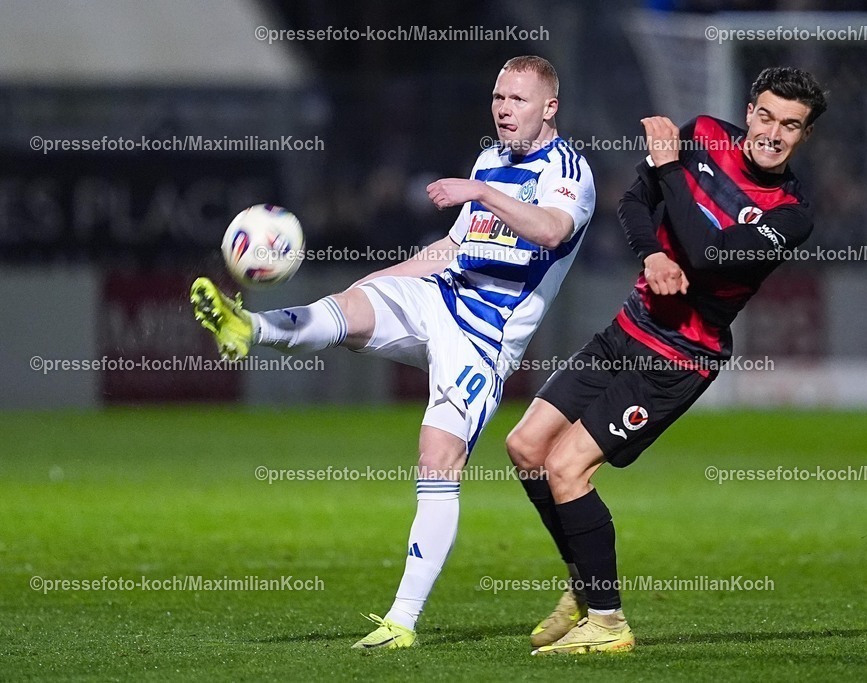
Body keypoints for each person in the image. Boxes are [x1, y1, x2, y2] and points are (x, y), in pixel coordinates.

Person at [189, 55, 595, 649]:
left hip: (485, 338)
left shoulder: (567, 170)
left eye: (518, 100)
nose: (504, 109)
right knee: (350, 308)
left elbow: (552, 230)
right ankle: (247, 328)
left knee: (438, 460)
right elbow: (453, 249)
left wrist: (480, 190)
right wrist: (378, 280)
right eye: (498, 98)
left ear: (549, 107)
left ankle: (401, 621)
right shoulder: (489, 161)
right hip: (442, 296)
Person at [505, 66, 828, 655]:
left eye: (791, 126)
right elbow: (635, 201)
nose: (773, 133)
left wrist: (667, 164)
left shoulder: (791, 213)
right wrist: (653, 251)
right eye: (766, 116)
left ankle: (607, 622)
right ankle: (585, 584)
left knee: (567, 469)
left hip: (679, 358)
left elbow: (707, 256)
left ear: (803, 136)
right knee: (526, 447)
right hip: (628, 328)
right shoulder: (703, 133)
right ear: (749, 109)